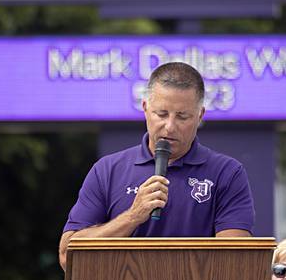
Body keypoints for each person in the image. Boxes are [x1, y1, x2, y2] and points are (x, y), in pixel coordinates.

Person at [58, 61, 255, 269]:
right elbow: (67, 257)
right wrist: (133, 216)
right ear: (145, 108)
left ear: (200, 116)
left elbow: (236, 260)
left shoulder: (227, 173)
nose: (169, 127)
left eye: (182, 116)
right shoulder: (107, 170)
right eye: (161, 114)